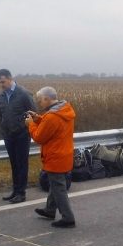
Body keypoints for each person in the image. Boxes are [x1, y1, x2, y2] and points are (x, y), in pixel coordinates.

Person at [25, 87, 76, 228]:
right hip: (65, 154)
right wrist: (38, 119)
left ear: (47, 99)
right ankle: (49, 210)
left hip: (55, 156)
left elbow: (39, 137)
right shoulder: (64, 110)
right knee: (55, 185)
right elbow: (52, 126)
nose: (39, 103)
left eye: (40, 100)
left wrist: (30, 125)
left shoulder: (52, 116)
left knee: (58, 188)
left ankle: (68, 218)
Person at [0, 69, 36, 204]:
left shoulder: (23, 93)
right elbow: (0, 115)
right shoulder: (1, 97)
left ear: (10, 78)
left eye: (3, 81)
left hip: (22, 135)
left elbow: (33, 112)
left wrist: (24, 127)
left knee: (22, 163)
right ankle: (15, 190)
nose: (1, 84)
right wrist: (3, 129)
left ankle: (21, 193)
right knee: (14, 164)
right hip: (8, 135)